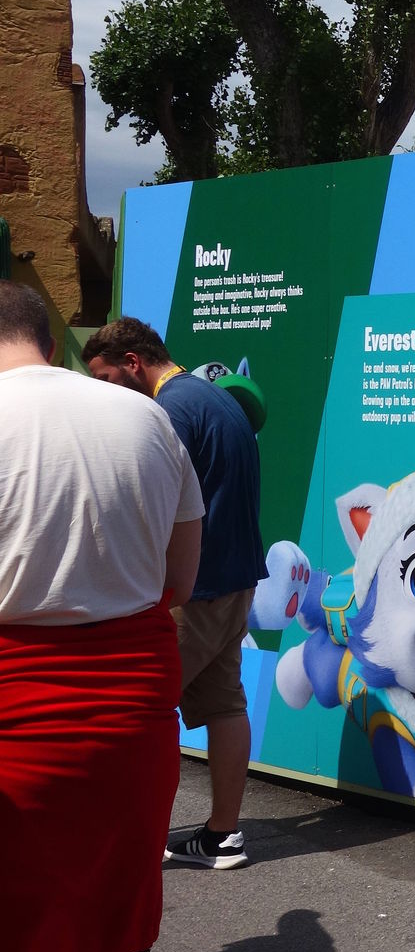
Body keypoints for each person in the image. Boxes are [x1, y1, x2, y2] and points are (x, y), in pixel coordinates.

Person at [0, 280, 203, 952]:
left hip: (14, 713)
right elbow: (181, 581)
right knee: (90, 912)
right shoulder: (147, 419)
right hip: (130, 713)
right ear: (50, 344)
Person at [85, 317, 268, 870]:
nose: (104, 391)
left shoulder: (170, 411)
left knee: (139, 708)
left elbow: (157, 504)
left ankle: (128, 841)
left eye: (106, 378)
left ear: (133, 362)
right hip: (235, 580)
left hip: (196, 587)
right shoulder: (214, 397)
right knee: (225, 704)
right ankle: (222, 837)